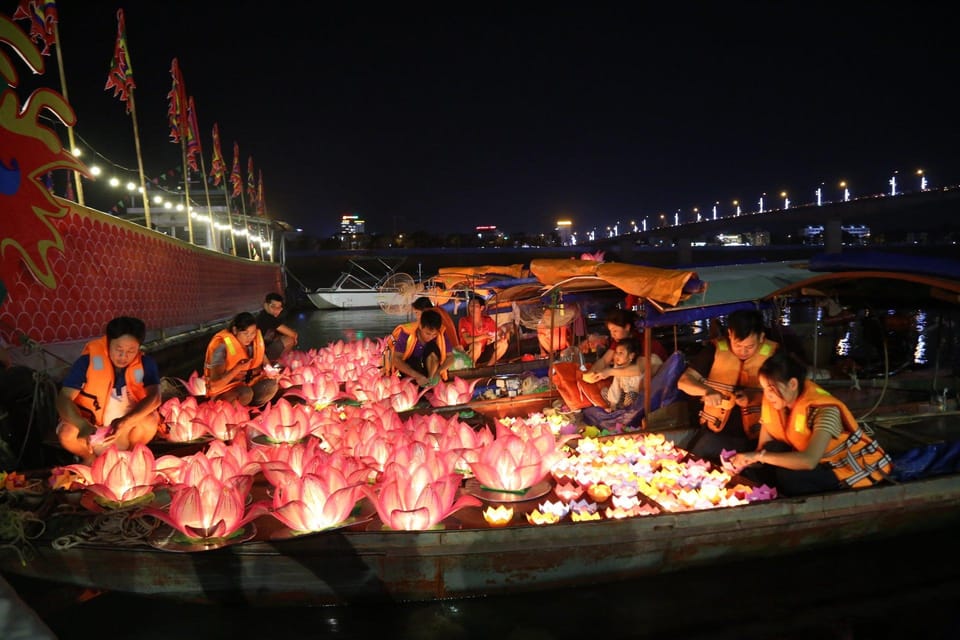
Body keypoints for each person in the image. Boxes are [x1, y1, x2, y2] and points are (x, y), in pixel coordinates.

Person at [730, 351, 893, 496]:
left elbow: (809, 461)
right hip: (812, 460)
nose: (767, 395)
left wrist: (758, 456)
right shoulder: (778, 403)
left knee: (788, 477)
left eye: (771, 389)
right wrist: (746, 461)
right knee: (769, 454)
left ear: (792, 384)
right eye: (764, 388)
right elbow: (763, 449)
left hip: (844, 466)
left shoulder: (825, 410)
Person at [56, 316, 161, 464]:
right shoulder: (87, 362)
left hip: (126, 432)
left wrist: (125, 422)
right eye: (119, 349)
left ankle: (132, 454)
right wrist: (82, 424)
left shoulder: (145, 364)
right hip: (92, 434)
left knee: (149, 420)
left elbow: (155, 398)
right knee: (67, 432)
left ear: (139, 348)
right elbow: (63, 399)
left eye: (131, 350)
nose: (123, 356)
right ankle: (89, 460)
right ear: (107, 343)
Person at [677, 309, 778, 462]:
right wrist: (707, 391)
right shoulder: (715, 350)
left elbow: (786, 394)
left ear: (762, 337)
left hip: (759, 435)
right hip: (717, 433)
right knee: (693, 464)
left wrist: (753, 397)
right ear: (730, 334)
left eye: (750, 347)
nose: (743, 351)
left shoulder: (774, 355)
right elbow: (684, 382)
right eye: (738, 345)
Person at [553, 308, 666, 410]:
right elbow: (604, 360)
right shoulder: (618, 342)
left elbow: (639, 369)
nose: (612, 335)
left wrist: (609, 372)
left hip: (654, 388)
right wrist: (592, 373)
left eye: (615, 331)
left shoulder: (644, 341)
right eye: (610, 331)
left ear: (627, 327)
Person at [204, 312, 279, 406]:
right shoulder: (222, 346)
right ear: (235, 330)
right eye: (245, 333)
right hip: (224, 392)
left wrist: (271, 372)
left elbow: (264, 359)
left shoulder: (253, 342)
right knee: (245, 393)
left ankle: (250, 410)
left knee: (271, 386)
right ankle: (229, 413)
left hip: (246, 385)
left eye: (252, 333)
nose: (250, 337)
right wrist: (238, 368)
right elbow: (215, 385)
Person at [386, 309, 454, 386]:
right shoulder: (406, 333)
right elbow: (396, 359)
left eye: (434, 335)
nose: (431, 337)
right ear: (420, 326)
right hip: (411, 369)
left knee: (432, 347)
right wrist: (417, 376)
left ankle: (431, 379)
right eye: (428, 333)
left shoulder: (441, 332)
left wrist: (438, 372)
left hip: (432, 370)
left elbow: (450, 357)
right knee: (413, 362)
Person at [459, 297, 509, 367]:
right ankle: (470, 368)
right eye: (470, 306)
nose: (472, 308)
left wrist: (503, 336)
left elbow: (500, 332)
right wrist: (484, 336)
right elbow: (468, 340)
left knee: (503, 344)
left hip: (483, 352)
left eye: (475, 306)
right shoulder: (464, 321)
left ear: (481, 308)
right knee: (477, 345)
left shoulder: (488, 320)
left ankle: (489, 367)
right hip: (467, 353)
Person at [256, 293, 298, 364]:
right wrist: (294, 339)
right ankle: (280, 363)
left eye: (279, 308)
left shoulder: (265, 315)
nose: (276, 310)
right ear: (265, 305)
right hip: (261, 353)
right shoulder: (267, 318)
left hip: (264, 348)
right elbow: (293, 334)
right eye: (273, 307)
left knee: (286, 336)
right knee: (289, 340)